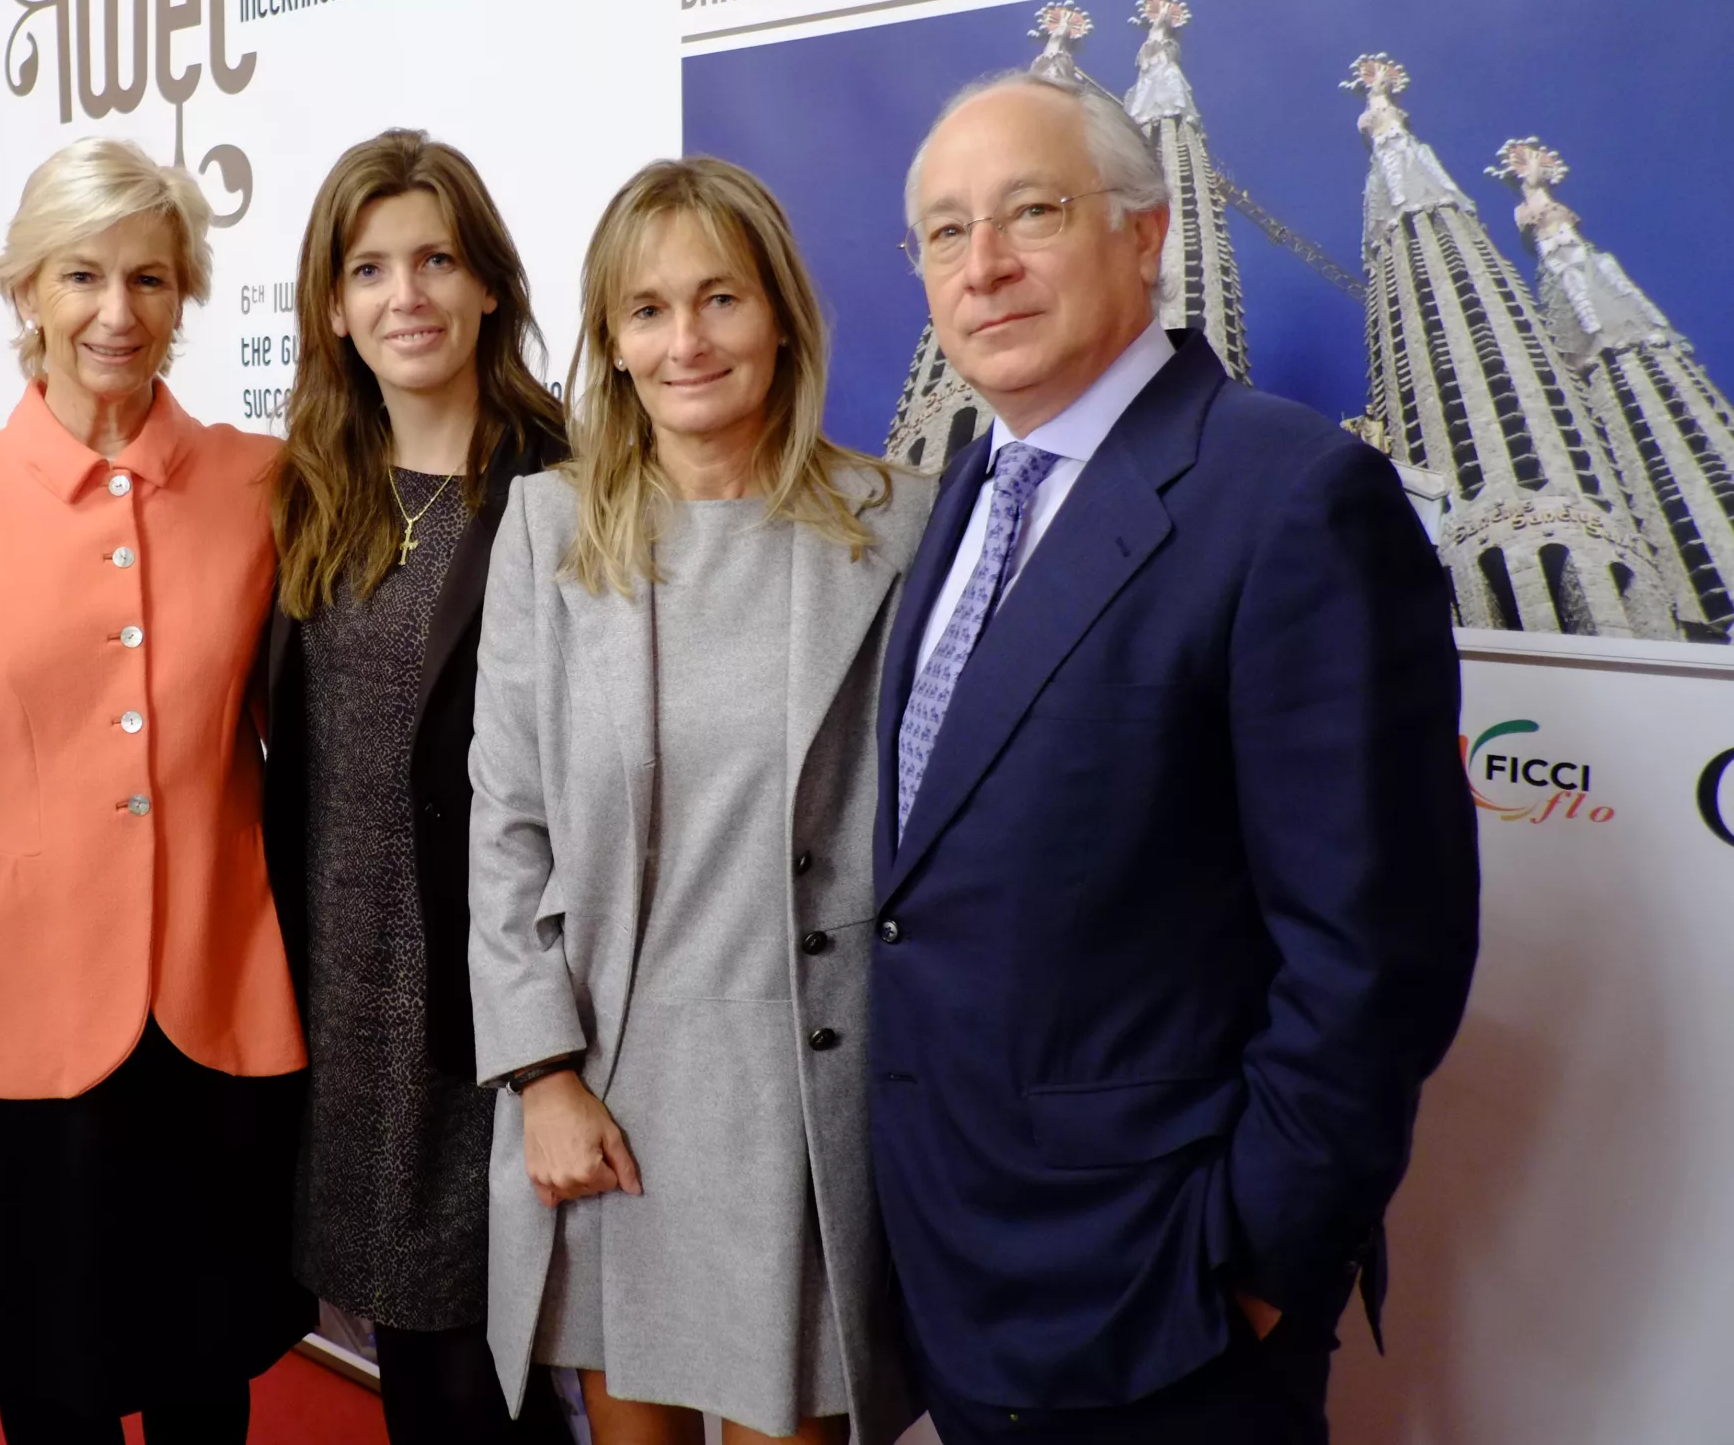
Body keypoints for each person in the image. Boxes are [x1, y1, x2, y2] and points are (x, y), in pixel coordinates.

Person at [872, 70, 1480, 1444]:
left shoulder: (1291, 494)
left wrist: (1252, 1264)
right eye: (946, 233)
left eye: (1033, 210)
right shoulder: (970, 482)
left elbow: (1379, 949)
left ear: (1142, 234)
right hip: (966, 1268)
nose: (988, 266)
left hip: (1167, 1300)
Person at [467, 158, 927, 1445]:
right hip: (612, 1092)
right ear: (611, 344)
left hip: (805, 1088)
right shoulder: (550, 528)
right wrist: (541, 1075)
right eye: (647, 311)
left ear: (779, 312)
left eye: (718, 299)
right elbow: (503, 827)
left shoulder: (899, 522)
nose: (686, 342)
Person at [0, 136, 307, 1444]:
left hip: (216, 999)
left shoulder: (265, 480)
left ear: (187, 294)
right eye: (82, 275)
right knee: (46, 1383)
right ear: (27, 290)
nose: (118, 312)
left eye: (153, 278)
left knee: (203, 1375)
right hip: (15, 1021)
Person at [262, 130, 574, 1445]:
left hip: (499, 1018)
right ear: (332, 305)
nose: (409, 296)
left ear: (490, 282)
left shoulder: (571, 485)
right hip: (341, 1011)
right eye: (372, 267)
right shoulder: (299, 496)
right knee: (426, 1382)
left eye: (439, 258)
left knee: (517, 1382)